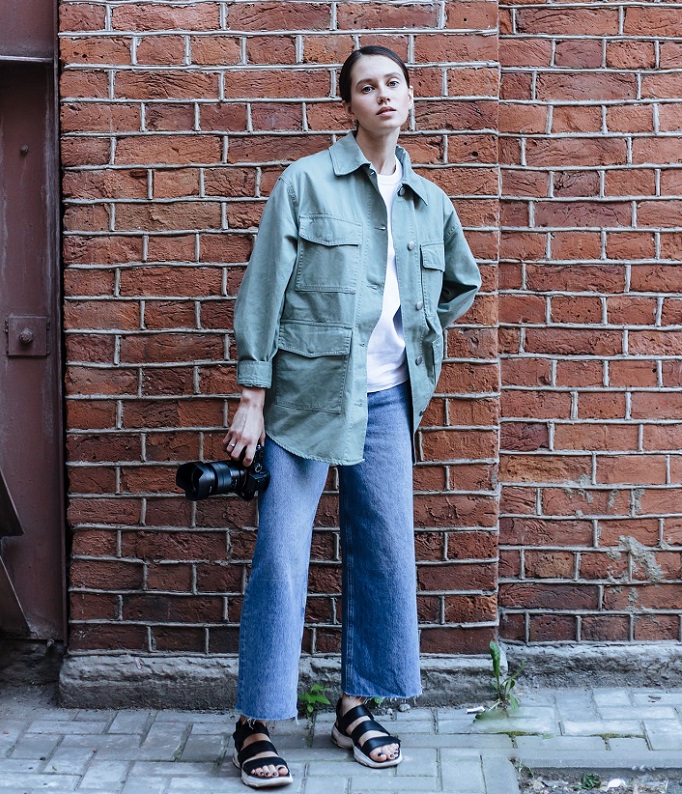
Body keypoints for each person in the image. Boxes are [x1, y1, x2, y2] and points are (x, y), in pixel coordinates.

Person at [223, 45, 481, 789]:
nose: (382, 96)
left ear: (410, 96)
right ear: (349, 105)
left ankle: (355, 707)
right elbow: (263, 291)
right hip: (302, 399)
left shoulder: (429, 202)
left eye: (393, 83)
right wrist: (252, 396)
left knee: (384, 553)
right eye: (366, 87)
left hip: (387, 401)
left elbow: (459, 283)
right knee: (282, 557)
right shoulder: (305, 183)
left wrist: (419, 336)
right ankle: (256, 721)